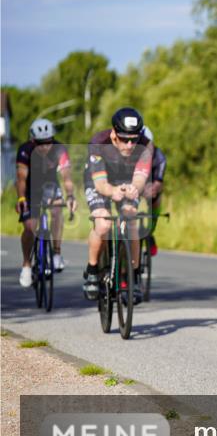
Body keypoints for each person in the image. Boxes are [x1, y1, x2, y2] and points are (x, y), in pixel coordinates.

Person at [81, 107, 152, 302]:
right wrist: (113, 191)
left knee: (131, 219)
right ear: (113, 134)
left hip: (126, 179)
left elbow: (140, 177)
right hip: (100, 180)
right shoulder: (98, 143)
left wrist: (133, 189)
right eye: (124, 139)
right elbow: (101, 184)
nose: (130, 145)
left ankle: (133, 276)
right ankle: (93, 269)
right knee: (103, 223)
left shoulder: (145, 145)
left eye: (134, 139)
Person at [15, 118, 77, 287]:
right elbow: (21, 179)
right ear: (33, 141)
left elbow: (66, 177)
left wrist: (70, 196)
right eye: (40, 143)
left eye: (48, 142)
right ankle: (27, 265)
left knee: (57, 211)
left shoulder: (59, 149)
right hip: (29, 189)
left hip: (50, 186)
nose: (45, 147)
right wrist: (21, 198)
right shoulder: (25, 150)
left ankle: (56, 253)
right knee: (30, 226)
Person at [140, 126, 166, 256]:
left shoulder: (159, 157)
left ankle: (150, 232)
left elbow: (159, 181)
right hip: (134, 185)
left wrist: (153, 189)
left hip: (150, 184)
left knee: (156, 199)